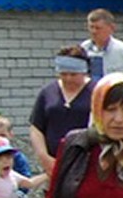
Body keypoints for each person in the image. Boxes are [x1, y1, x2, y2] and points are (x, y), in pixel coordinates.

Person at [28, 46, 92, 176]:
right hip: (52, 165)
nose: (68, 78)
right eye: (63, 74)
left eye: (73, 74)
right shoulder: (48, 92)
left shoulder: (96, 92)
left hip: (86, 165)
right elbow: (36, 127)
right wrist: (44, 157)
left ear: (84, 71)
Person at [81, 8, 123, 83]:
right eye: (91, 27)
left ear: (111, 28)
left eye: (98, 28)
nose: (94, 31)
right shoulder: (83, 49)